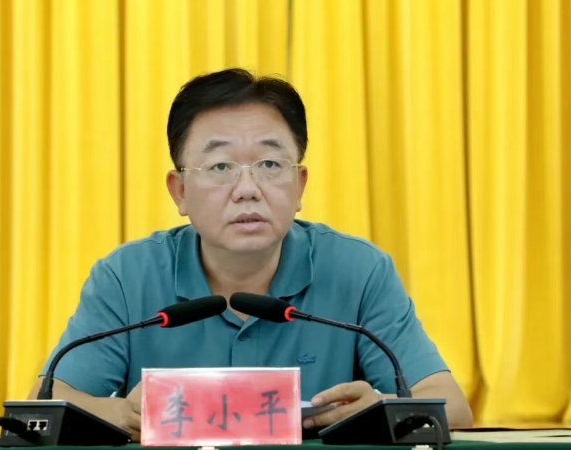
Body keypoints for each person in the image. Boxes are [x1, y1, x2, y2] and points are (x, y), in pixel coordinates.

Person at [29, 68, 473, 440]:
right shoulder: (127, 277)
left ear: (299, 185)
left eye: (270, 165)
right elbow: (44, 406)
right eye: (220, 167)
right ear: (179, 191)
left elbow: (451, 407)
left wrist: (379, 409)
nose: (247, 189)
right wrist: (121, 414)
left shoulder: (358, 270)